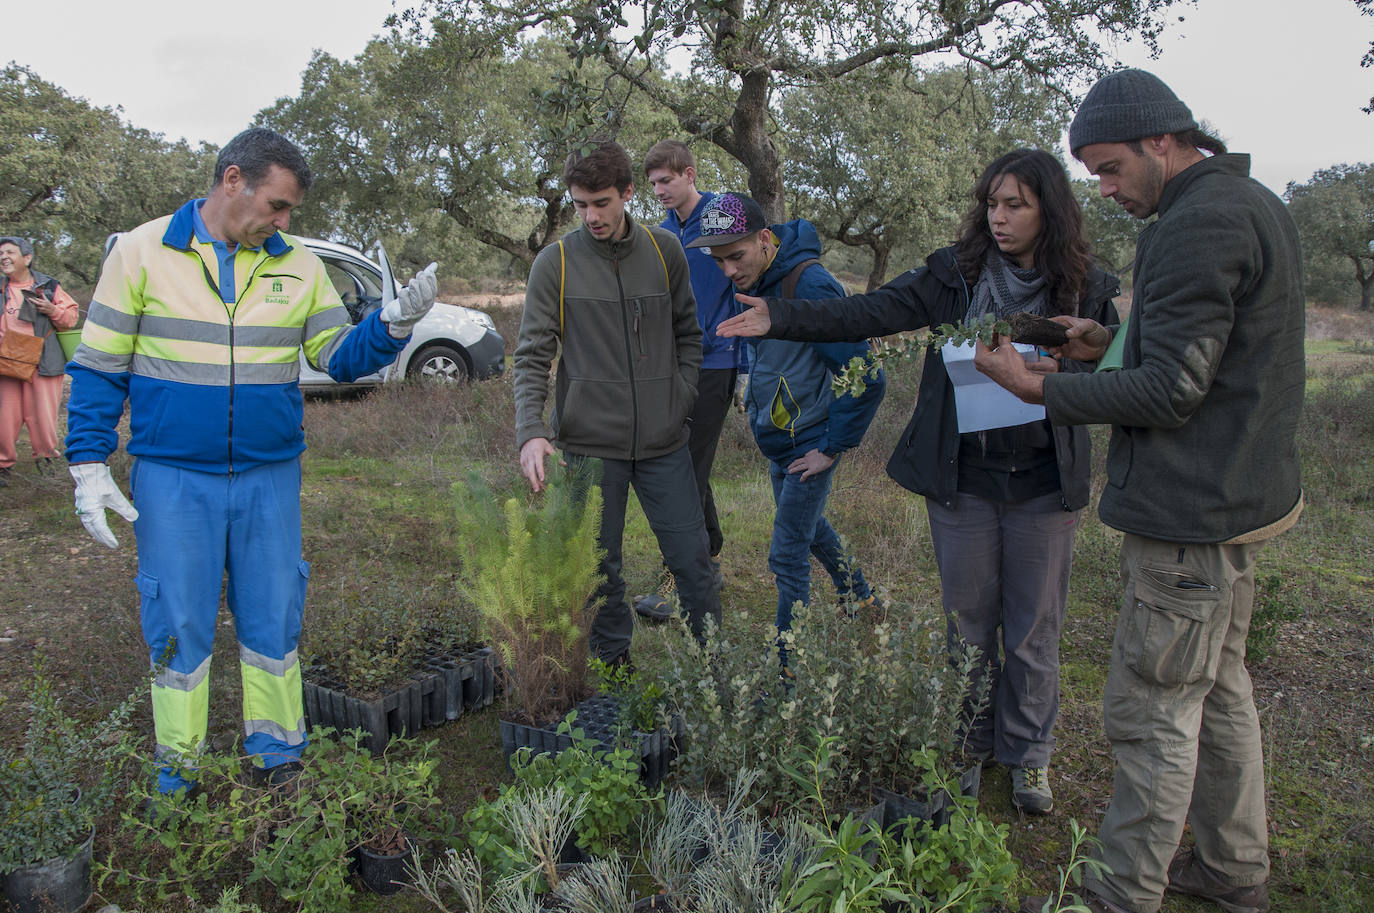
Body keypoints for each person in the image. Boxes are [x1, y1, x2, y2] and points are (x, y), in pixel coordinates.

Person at [972, 71, 1303, 913]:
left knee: (1151, 710)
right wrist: (1108, 341)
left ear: (1164, 141)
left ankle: (1121, 892)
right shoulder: (1248, 203)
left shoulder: (1198, 224)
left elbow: (1172, 392)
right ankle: (1232, 872)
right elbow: (1204, 353)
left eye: (1113, 169)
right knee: (1219, 691)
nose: (1107, 190)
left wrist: (1038, 388)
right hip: (1236, 505)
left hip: (1190, 512)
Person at [717, 150, 1120, 814]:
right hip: (963, 476)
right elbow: (870, 314)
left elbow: (1111, 373)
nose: (998, 217)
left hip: (1046, 480)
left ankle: (1029, 756)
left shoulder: (1087, 288)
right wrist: (780, 317)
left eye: (1014, 204)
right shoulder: (954, 275)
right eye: (991, 203)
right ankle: (972, 742)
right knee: (968, 621)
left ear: (1050, 208)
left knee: (1033, 626)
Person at [64, 127, 439, 798]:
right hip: (173, 476)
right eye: (277, 205)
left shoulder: (297, 264)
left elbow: (336, 355)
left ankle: (279, 754)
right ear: (232, 180)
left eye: (289, 211)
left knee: (273, 616)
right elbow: (99, 365)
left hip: (269, 474)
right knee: (178, 621)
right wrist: (87, 462)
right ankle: (178, 767)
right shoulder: (141, 252)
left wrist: (391, 327)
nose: (284, 221)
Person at [513, 140, 722, 662]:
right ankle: (614, 662)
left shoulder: (664, 251)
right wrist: (531, 430)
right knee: (599, 564)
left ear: (628, 193)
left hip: (664, 440)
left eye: (602, 202)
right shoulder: (554, 263)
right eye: (580, 204)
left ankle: (714, 664)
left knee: (692, 558)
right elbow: (532, 356)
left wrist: (681, 395)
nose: (591, 216)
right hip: (588, 445)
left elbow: (688, 334)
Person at [687, 192, 883, 643]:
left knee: (787, 553)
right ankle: (862, 598)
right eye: (719, 261)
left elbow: (866, 376)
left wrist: (831, 448)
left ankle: (788, 673)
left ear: (764, 238)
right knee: (810, 529)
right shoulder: (756, 282)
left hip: (808, 444)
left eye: (735, 256)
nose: (729, 270)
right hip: (779, 441)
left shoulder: (809, 286)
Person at [641, 139, 742, 599]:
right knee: (684, 462)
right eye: (654, 184)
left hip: (717, 362)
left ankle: (685, 575)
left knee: (683, 471)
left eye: (667, 180)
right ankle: (709, 552)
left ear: (690, 174)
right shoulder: (662, 233)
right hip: (674, 366)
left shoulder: (722, 218)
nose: (660, 189)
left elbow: (750, 272)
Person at [0, 236, 80, 485]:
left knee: (42, 415)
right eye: (1, 253)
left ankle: (46, 459)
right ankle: (3, 464)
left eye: (10, 252)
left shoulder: (49, 285)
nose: (4, 257)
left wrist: (51, 310)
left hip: (43, 360)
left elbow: (71, 318)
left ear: (27, 258)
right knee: (5, 415)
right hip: (6, 361)